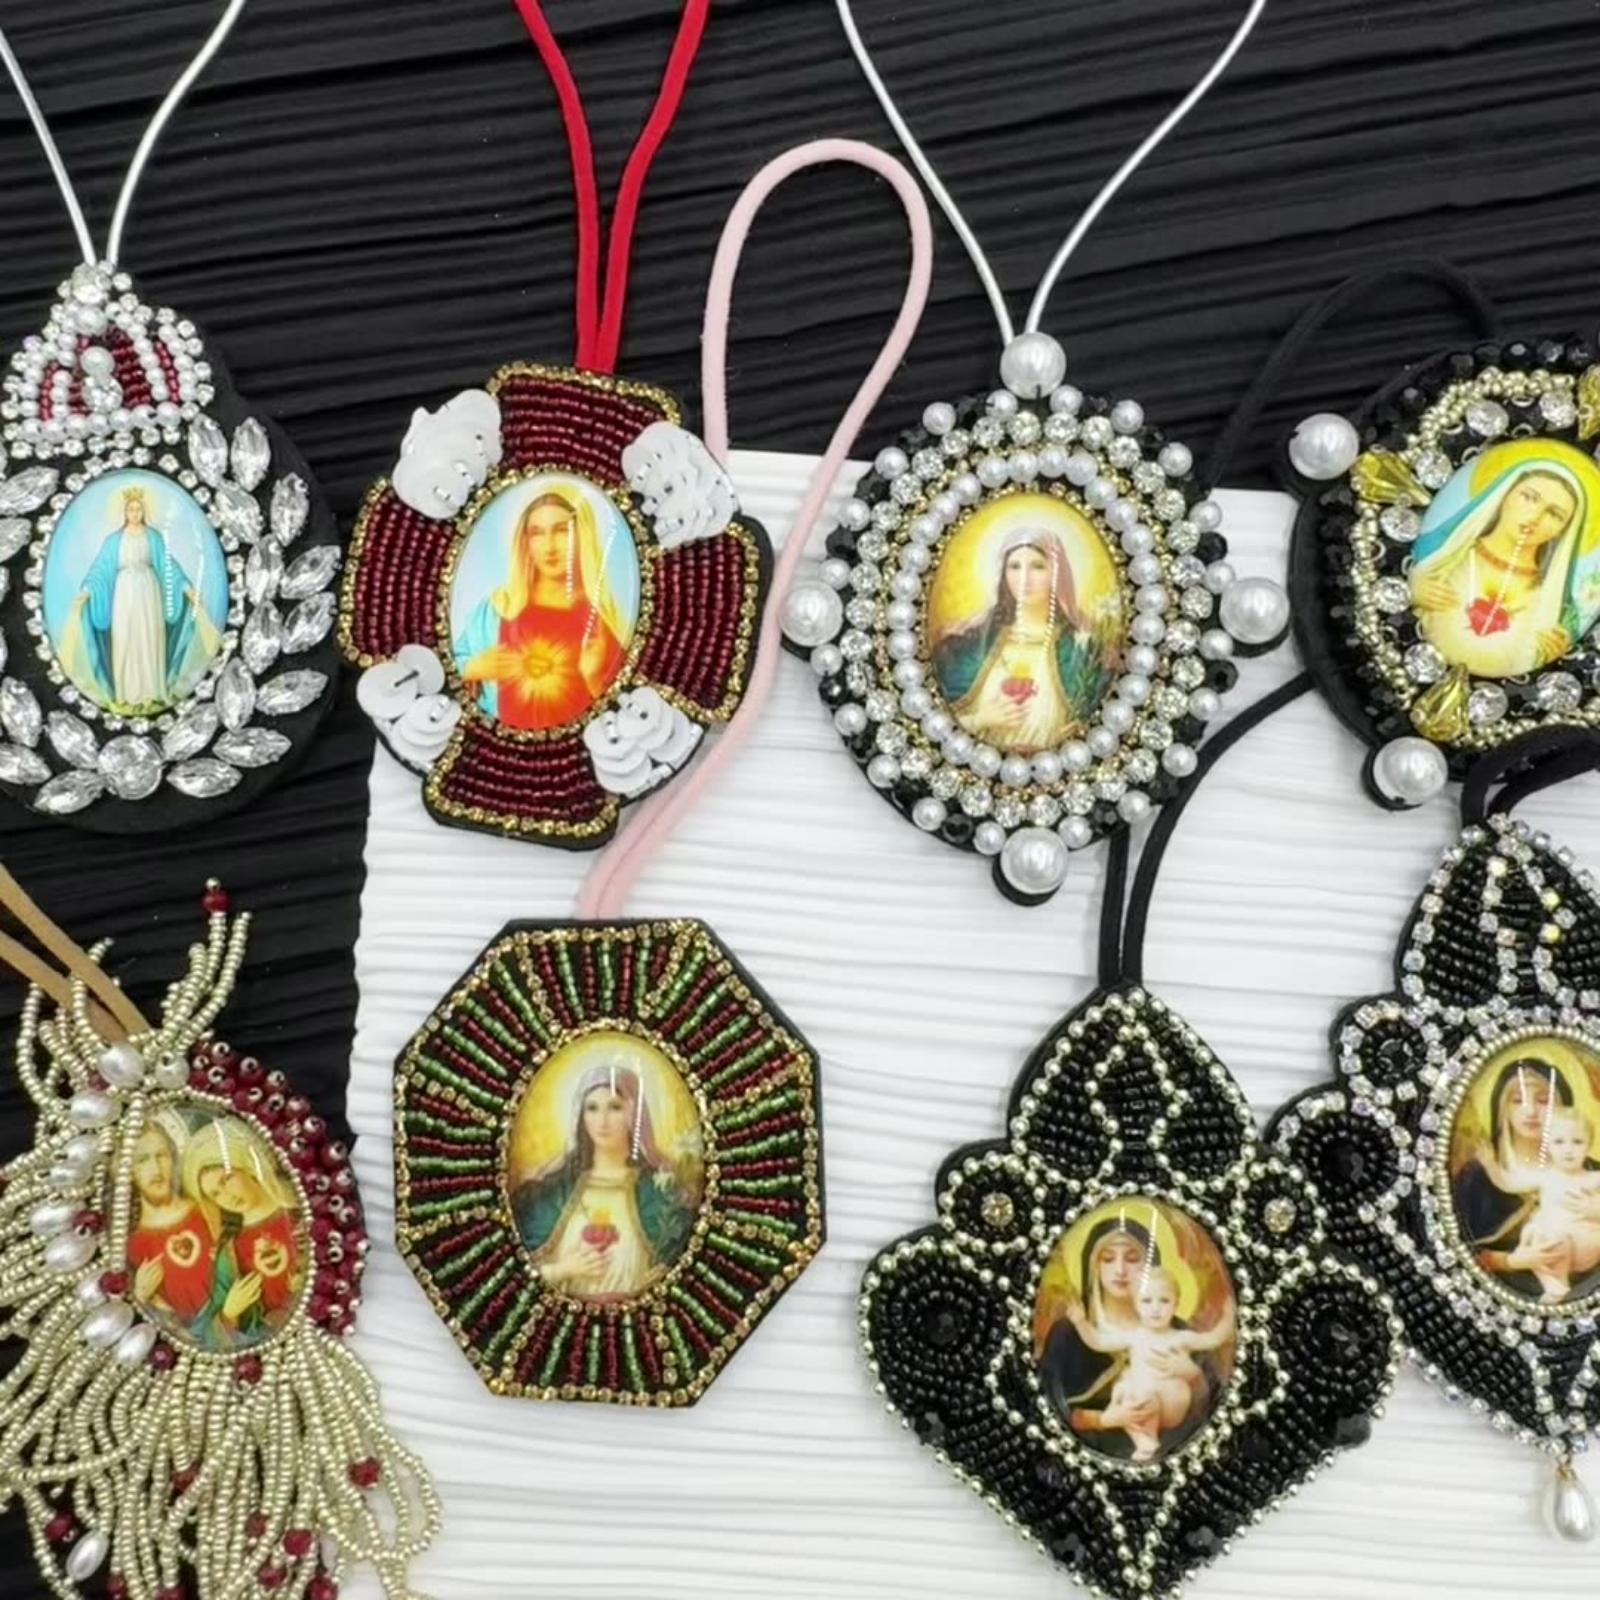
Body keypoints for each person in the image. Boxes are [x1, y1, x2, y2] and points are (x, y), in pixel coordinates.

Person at [1038, 1217, 1223, 1459]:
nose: (1120, 1270)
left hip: (1175, 1454)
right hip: (1082, 1457)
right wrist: (1106, 1420)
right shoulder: (1068, 1334)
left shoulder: (1178, 1330)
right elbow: (1048, 1408)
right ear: (1094, 1266)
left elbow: (1209, 1407)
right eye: (1108, 1259)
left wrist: (1193, 1375)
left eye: (1133, 1259)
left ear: (1151, 1266)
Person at [512, 1059, 696, 1301]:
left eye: (615, 1107)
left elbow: (677, 1268)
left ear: (634, 1115)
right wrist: (562, 1269)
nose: (602, 1121)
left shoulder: (658, 1190)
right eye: (592, 1108)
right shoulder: (554, 1191)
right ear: (580, 1116)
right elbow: (520, 1271)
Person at [453, 487, 630, 729]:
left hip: (575, 746)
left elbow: (622, 709)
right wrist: (474, 668)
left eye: (562, 530)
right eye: (537, 533)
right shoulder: (499, 607)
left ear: (582, 535)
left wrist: (593, 678)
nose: (550, 547)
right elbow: (455, 663)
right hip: (503, 743)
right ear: (524, 542)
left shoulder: (599, 619)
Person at [1410, 456, 1600, 679]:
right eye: (1529, 497)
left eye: (1554, 514)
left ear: (1564, 529)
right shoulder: (1442, 554)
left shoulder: (1558, 603)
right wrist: (1413, 590)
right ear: (1504, 494)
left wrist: (1553, 654)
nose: (1536, 516)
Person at [932, 529, 1117, 754]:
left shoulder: (1082, 650)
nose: (1024, 579)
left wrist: (1071, 737)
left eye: (1038, 566)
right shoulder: (970, 645)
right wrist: (980, 719)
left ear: (1058, 574)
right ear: (1003, 573)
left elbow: (1099, 715)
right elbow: (940, 720)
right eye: (1014, 566)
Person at [58, 485, 221, 712]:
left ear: (144, 511)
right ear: (124, 512)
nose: (134, 513)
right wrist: (86, 591)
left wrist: (186, 588)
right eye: (130, 509)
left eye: (138, 509)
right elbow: (100, 570)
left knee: (148, 636)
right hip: (123, 593)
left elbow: (168, 566)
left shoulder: (154, 537)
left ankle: (152, 692)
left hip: (149, 591)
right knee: (125, 638)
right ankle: (126, 694)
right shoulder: (113, 540)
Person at [1453, 1056, 1600, 1298]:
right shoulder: (1478, 1178)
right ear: (1503, 1109)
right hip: (1496, 1298)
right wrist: (1514, 1261)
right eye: (1518, 1100)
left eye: (1543, 1101)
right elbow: (1459, 1252)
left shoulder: (1592, 1170)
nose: (1530, 1111)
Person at [1059, 1266, 1236, 1461]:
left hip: (1172, 1402)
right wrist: (1080, 1322)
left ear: (1176, 1304)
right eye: (1146, 1301)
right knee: (1123, 1390)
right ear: (1136, 1305)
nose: (1155, 1308)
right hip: (1142, 1402)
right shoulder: (1134, 1336)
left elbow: (1213, 1338)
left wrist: (1229, 1316)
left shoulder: (1181, 1338)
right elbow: (1098, 1342)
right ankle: (1143, 1439)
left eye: (1164, 1301)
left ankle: (1144, 1436)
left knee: (1138, 1391)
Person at [183, 1118, 303, 1348]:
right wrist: (230, 1313)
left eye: (227, 1179)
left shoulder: (302, 1212)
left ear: (247, 1166)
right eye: (215, 1195)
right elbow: (206, 1336)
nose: (226, 1196)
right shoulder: (230, 1253)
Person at [127, 1122, 216, 1329]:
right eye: (142, 1160)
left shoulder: (207, 1210)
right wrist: (140, 1296)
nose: (156, 1169)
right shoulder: (132, 1244)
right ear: (129, 1172)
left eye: (162, 1156)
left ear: (174, 1160)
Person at [1509, 1106, 1600, 1302]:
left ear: (1588, 1145)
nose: (1568, 1149)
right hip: (1556, 1245)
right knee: (1531, 1233)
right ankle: (1555, 1284)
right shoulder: (1545, 1176)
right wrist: (1490, 1167)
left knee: (1552, 1236)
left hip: (1586, 1244)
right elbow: (1511, 1182)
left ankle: (1558, 1285)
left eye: (1577, 1142)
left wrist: (1593, 1208)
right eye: (1559, 1142)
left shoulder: (1593, 1178)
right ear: (1548, 1146)